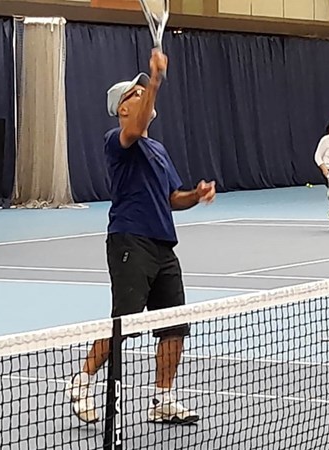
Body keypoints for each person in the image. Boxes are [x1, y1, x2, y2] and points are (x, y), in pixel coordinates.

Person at [68, 49, 215, 425]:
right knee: (124, 322)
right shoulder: (117, 140)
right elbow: (133, 129)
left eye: (144, 91)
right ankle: (81, 382)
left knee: (175, 327)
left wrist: (195, 196)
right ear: (122, 109)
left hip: (164, 247)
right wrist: (157, 77)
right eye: (137, 93)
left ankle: (162, 399)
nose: (144, 95)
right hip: (129, 241)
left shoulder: (159, 150)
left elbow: (172, 199)